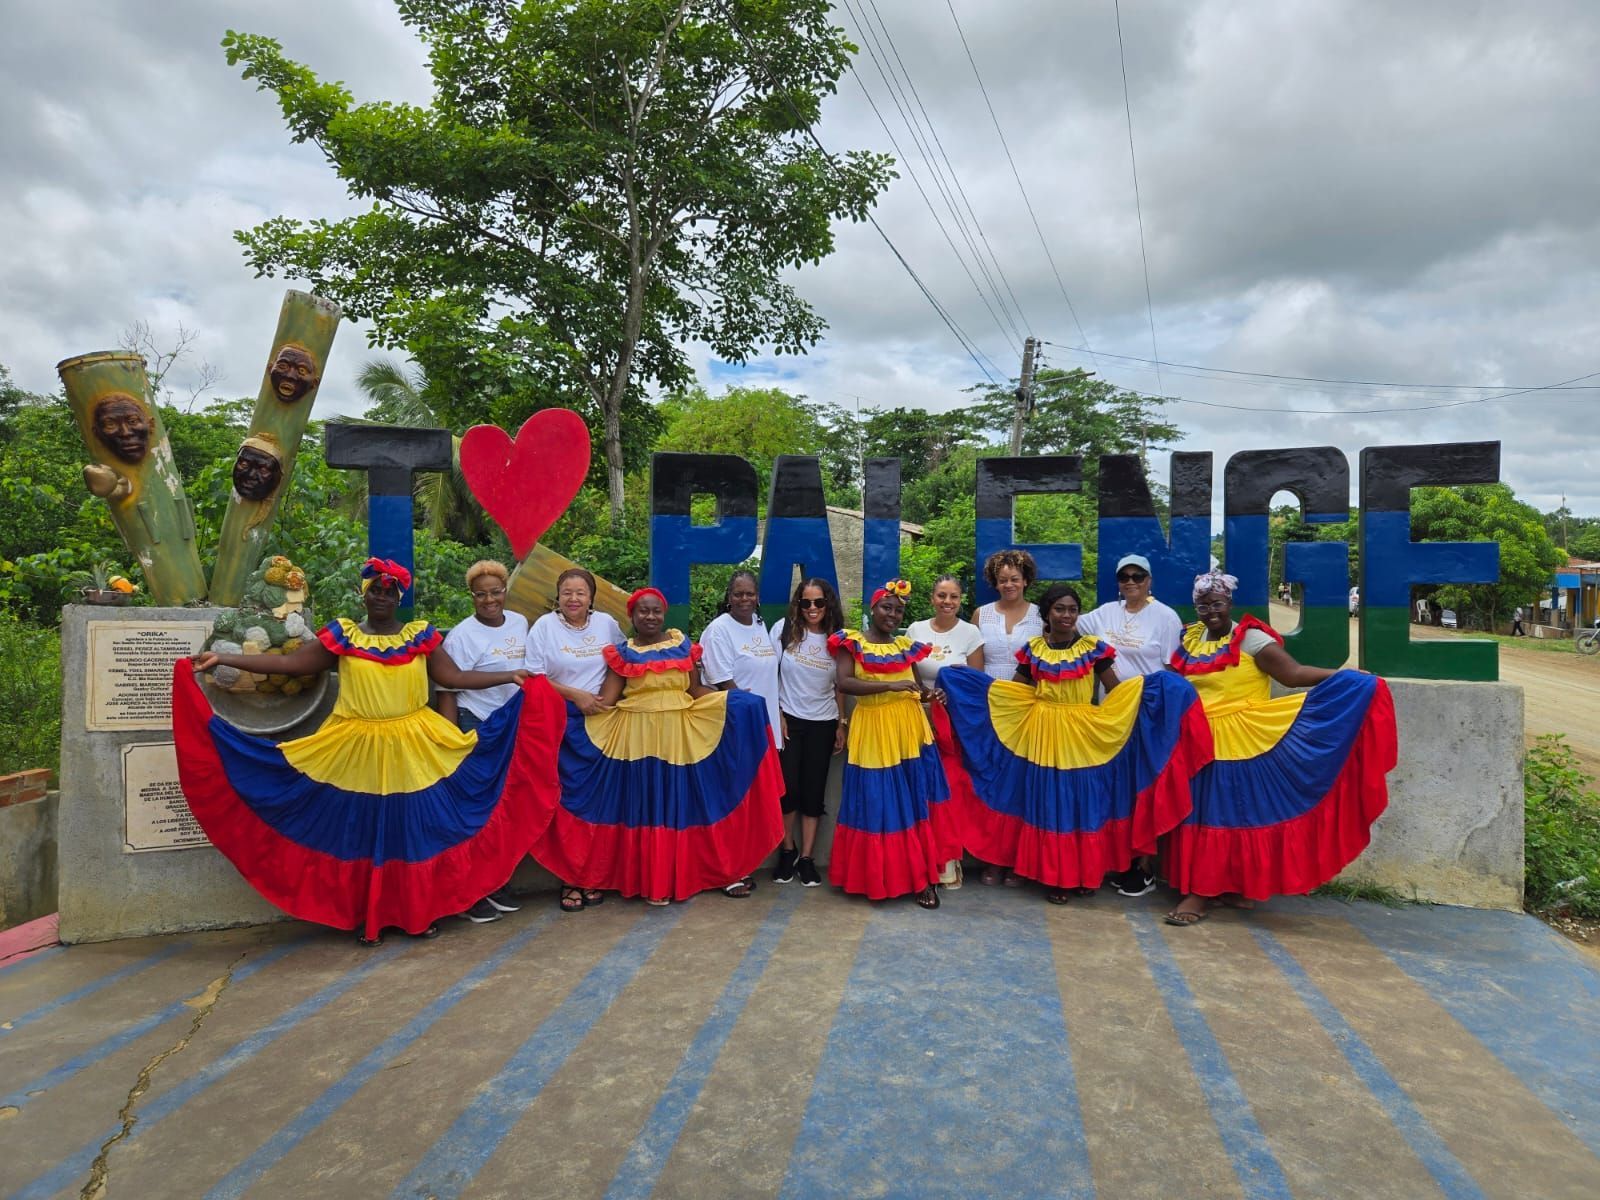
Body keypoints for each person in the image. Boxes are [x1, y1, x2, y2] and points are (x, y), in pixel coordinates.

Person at [174, 557, 541, 945]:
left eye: (390, 591)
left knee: (413, 832)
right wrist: (225, 657)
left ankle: (418, 912)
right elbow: (295, 664)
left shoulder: (420, 636)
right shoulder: (343, 636)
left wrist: (511, 675)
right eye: (376, 590)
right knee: (364, 834)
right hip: (356, 748)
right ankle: (372, 915)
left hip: (414, 745)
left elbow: (454, 678)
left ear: (399, 597)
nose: (383, 596)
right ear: (364, 595)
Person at [938, 583, 1208, 904]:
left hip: (1081, 736)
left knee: (1079, 804)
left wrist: (1154, 690)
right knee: (1048, 803)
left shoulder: (1094, 648)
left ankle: (1081, 874)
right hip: (1040, 736)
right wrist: (967, 684)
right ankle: (1056, 876)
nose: (1067, 615)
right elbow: (1013, 692)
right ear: (1047, 614)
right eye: (1060, 609)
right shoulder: (1034, 649)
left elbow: (1117, 690)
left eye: (1072, 610)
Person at [1163, 570, 1397, 926]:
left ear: (1230, 603)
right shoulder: (1191, 640)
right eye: (1203, 605)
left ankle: (1201, 893)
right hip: (1198, 739)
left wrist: (1344, 677)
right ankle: (1229, 886)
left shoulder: (1251, 639)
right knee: (1204, 814)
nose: (1211, 611)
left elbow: (1293, 674)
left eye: (1217, 603)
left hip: (1242, 741)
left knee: (1223, 813)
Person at [524, 587, 784, 905]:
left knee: (684, 805)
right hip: (636, 740)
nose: (650, 616)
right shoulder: (623, 654)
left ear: (663, 613)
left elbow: (695, 689)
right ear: (632, 617)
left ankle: (699, 872)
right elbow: (606, 700)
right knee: (646, 807)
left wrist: (734, 702)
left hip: (680, 739)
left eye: (656, 611)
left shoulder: (682, 646)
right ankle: (651, 879)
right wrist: (563, 703)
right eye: (643, 611)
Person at [828, 580, 948, 909]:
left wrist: (931, 695)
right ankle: (877, 877)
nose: (892, 615)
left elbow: (918, 688)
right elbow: (844, 681)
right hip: (873, 730)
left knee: (913, 803)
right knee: (876, 802)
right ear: (873, 608)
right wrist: (892, 685)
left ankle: (923, 878)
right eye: (886, 607)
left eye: (898, 610)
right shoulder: (851, 642)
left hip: (909, 731)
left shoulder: (905, 647)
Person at [1075, 553, 1186, 897]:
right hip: (1113, 717)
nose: (1131, 583)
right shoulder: (1106, 613)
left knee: (1145, 790)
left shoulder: (1165, 616)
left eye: (1138, 577)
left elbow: (1172, 670)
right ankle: (1122, 862)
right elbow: (1065, 622)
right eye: (1125, 577)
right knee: (1119, 791)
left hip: (1150, 716)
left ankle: (1146, 868)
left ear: (1149, 581)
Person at [525, 566, 625, 912]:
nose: (573, 598)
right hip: (561, 726)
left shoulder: (608, 625)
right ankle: (571, 877)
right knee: (569, 806)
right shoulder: (543, 628)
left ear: (591, 597)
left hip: (601, 726)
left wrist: (604, 701)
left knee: (601, 803)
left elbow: (624, 664)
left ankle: (595, 875)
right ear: (557, 596)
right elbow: (533, 678)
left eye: (580, 592)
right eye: (567, 592)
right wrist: (574, 695)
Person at [436, 560, 529, 923]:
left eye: (496, 591)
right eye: (481, 594)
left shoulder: (520, 622)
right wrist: (450, 739)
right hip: (475, 724)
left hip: (511, 726)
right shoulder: (462, 635)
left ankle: (491, 883)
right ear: (471, 597)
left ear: (505, 590)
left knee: (503, 808)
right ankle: (466, 893)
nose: (489, 599)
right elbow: (449, 685)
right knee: (473, 809)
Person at [769, 578, 847, 887]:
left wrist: (841, 722)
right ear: (798, 605)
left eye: (818, 602)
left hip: (823, 723)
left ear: (828, 604)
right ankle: (787, 851)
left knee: (814, 794)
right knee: (788, 791)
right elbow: (768, 673)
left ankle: (807, 859)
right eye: (806, 602)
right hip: (790, 720)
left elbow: (840, 683)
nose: (812, 608)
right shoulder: (784, 630)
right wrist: (777, 713)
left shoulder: (837, 639)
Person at [971, 549, 1043, 887]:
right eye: (1002, 579)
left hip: (1028, 709)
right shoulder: (980, 615)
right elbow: (973, 662)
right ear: (994, 582)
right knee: (993, 785)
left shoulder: (1042, 616)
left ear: (1026, 580)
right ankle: (992, 860)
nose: (1009, 583)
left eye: (1015, 578)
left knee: (1022, 786)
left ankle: (1018, 860)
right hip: (991, 708)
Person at [908, 574, 985, 887]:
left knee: (949, 790)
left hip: (954, 728)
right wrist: (927, 698)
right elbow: (910, 676)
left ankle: (950, 859)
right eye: (941, 595)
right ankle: (924, 858)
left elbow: (975, 685)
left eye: (953, 596)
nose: (947, 602)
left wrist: (949, 696)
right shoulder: (916, 630)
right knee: (922, 789)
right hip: (920, 720)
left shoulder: (971, 633)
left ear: (961, 600)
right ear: (932, 598)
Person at [700, 570, 783, 769]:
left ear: (757, 597)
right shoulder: (718, 630)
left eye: (750, 594)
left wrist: (777, 712)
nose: (744, 599)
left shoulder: (758, 623)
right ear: (729, 597)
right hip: (739, 725)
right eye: (738, 594)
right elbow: (724, 683)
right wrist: (748, 719)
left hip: (766, 724)